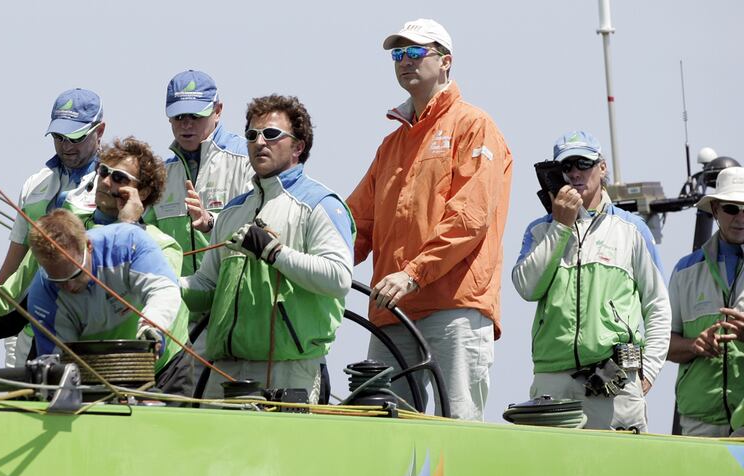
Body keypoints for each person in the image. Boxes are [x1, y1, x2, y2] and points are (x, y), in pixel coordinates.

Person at [346, 19, 513, 420]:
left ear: (445, 62)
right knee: (383, 427)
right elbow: (354, 223)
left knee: (458, 426)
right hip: (393, 309)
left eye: (416, 52)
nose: (405, 61)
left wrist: (413, 274)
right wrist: (310, 258)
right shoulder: (391, 145)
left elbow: (469, 218)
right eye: (398, 54)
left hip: (453, 305)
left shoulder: (474, 126)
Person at [0, 138, 185, 371]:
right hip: (81, 370)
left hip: (158, 374)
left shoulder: (161, 246)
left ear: (141, 192)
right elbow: (6, 309)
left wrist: (126, 228)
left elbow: (161, 303)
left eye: (119, 178)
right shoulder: (62, 235)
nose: (106, 182)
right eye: (103, 171)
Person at [181, 95, 355, 402]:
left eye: (271, 134)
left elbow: (338, 278)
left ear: (298, 147)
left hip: (291, 372)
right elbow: (207, 287)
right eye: (251, 135)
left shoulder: (320, 204)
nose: (259, 142)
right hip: (225, 373)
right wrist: (162, 284)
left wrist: (275, 252)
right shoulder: (234, 212)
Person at [512, 131, 671, 432]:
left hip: (615, 384)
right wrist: (560, 225)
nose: (574, 173)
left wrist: (645, 373)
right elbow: (526, 288)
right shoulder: (539, 231)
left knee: (619, 475)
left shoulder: (632, 230)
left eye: (583, 163)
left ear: (602, 168)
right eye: (567, 166)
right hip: (552, 382)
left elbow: (658, 307)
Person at [0, 88, 104, 367]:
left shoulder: (114, 184)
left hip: (87, 333)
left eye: (76, 137)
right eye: (58, 137)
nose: (66, 146)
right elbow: (13, 263)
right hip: (26, 332)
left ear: (100, 130)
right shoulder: (35, 185)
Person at [27, 209, 192, 397]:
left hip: (166, 363)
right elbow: (59, 370)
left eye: (76, 273)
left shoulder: (127, 243)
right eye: (59, 281)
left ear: (88, 246)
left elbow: (164, 290)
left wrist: (152, 327)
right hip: (100, 379)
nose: (70, 286)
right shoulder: (42, 296)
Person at [145, 69, 253, 277]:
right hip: (181, 302)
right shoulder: (161, 174)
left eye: (196, 115)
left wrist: (212, 222)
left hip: (233, 299)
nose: (187, 124)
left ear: (218, 110)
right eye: (179, 116)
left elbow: (264, 229)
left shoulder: (248, 160)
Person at [667, 166, 744, 436]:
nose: (741, 218)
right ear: (715, 210)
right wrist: (694, 345)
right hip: (699, 420)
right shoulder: (684, 271)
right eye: (733, 209)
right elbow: (663, 344)